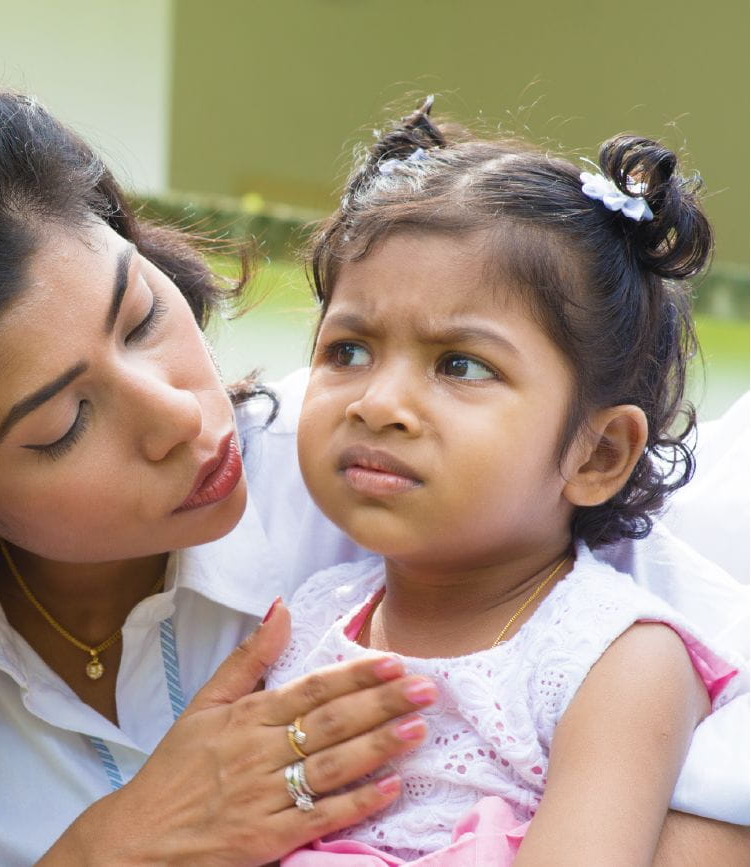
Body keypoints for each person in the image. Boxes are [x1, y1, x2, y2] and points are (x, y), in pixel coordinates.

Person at [0, 82, 747, 865]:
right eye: (66, 421)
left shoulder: (388, 487)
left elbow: (716, 674)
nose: (184, 412)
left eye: (139, 317)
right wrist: (108, 854)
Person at [263, 100, 748, 865]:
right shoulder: (303, 620)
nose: (377, 402)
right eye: (348, 349)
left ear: (596, 455)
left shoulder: (615, 659)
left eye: (460, 364)